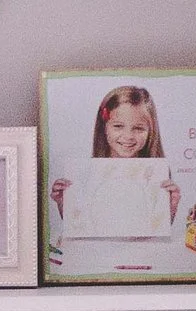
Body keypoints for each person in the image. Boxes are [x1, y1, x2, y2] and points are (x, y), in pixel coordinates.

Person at [51, 84, 181, 261]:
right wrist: (64, 203)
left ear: (151, 131)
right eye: (118, 126)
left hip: (140, 257)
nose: (128, 136)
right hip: (98, 257)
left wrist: (170, 208)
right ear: (104, 127)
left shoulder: (156, 175)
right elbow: (80, 225)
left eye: (138, 128)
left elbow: (156, 230)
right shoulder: (86, 173)